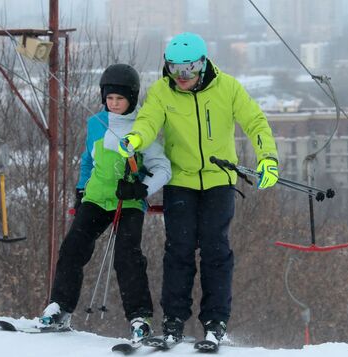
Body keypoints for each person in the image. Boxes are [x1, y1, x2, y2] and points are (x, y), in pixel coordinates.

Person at [118, 32, 279, 344]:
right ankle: (174, 320)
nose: (181, 76)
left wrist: (268, 159)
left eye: (188, 69)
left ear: (203, 64)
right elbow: (149, 121)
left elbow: (255, 122)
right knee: (178, 250)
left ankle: (216, 321)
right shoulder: (163, 92)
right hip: (181, 181)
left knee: (216, 249)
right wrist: (136, 139)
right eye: (175, 68)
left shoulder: (227, 88)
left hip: (219, 181)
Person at [39, 63, 171, 342]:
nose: (114, 104)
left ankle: (140, 317)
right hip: (97, 198)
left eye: (120, 99)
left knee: (127, 256)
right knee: (73, 247)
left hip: (129, 203)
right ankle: (60, 307)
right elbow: (88, 160)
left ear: (132, 98)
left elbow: (163, 169)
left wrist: (141, 189)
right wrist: (80, 189)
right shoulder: (96, 123)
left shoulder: (142, 127)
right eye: (109, 98)